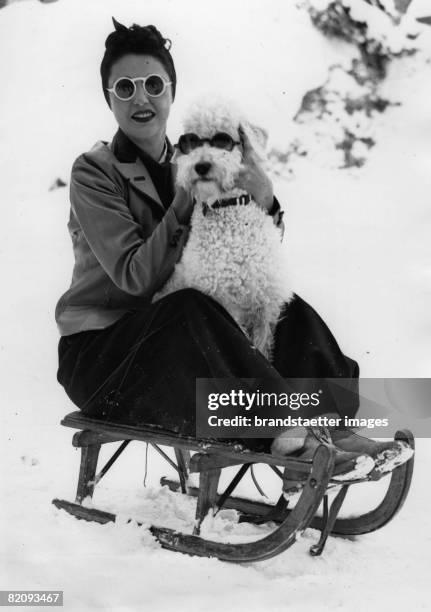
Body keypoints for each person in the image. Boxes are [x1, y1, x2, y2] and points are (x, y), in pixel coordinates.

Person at [56, 19, 412, 487]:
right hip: (109, 359)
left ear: (171, 91)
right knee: (189, 307)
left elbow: (241, 254)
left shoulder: (198, 154)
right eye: (124, 87)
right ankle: (292, 435)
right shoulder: (93, 173)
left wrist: (266, 201)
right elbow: (135, 278)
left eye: (152, 84)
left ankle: (331, 431)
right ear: (109, 98)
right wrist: (185, 199)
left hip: (181, 347)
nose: (140, 98)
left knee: (283, 309)